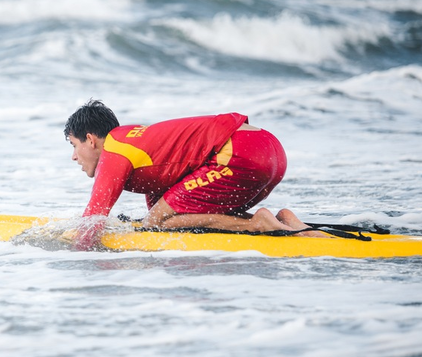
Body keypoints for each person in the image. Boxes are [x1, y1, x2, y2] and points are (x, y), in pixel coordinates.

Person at [64, 99, 319, 250]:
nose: (74, 157)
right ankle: (286, 222)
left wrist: (66, 250)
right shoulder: (136, 141)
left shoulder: (114, 149)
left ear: (90, 140)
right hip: (268, 150)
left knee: (157, 221)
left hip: (239, 152)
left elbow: (93, 219)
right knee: (165, 220)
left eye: (74, 146)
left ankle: (257, 224)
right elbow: (171, 197)